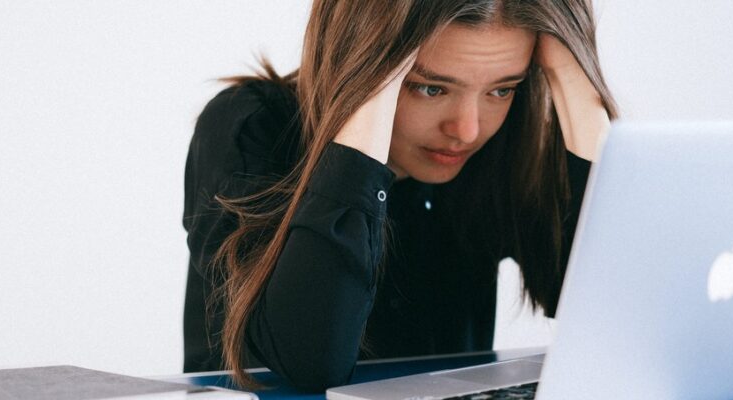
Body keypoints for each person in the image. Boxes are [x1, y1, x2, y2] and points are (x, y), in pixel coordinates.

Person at [183, 0, 618, 392]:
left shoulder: (501, 144)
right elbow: (310, 362)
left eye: (501, 89)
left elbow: (619, 321)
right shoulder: (251, 127)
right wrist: (364, 106)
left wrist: (579, 85)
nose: (467, 130)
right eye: (430, 88)